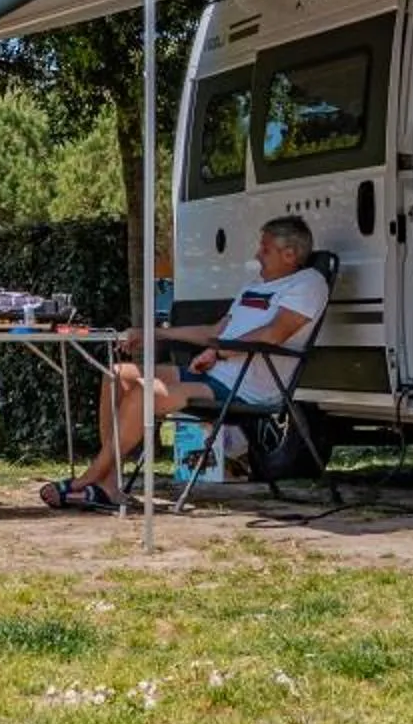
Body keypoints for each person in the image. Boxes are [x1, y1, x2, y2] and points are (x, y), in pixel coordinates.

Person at [40, 215, 329, 511]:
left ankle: (88, 477)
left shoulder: (308, 284)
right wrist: (153, 334)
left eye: (265, 249)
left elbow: (273, 334)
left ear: (290, 254)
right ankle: (109, 483)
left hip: (245, 388)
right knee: (115, 374)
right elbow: (216, 332)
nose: (257, 255)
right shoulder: (256, 286)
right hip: (213, 374)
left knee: (144, 393)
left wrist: (218, 353)